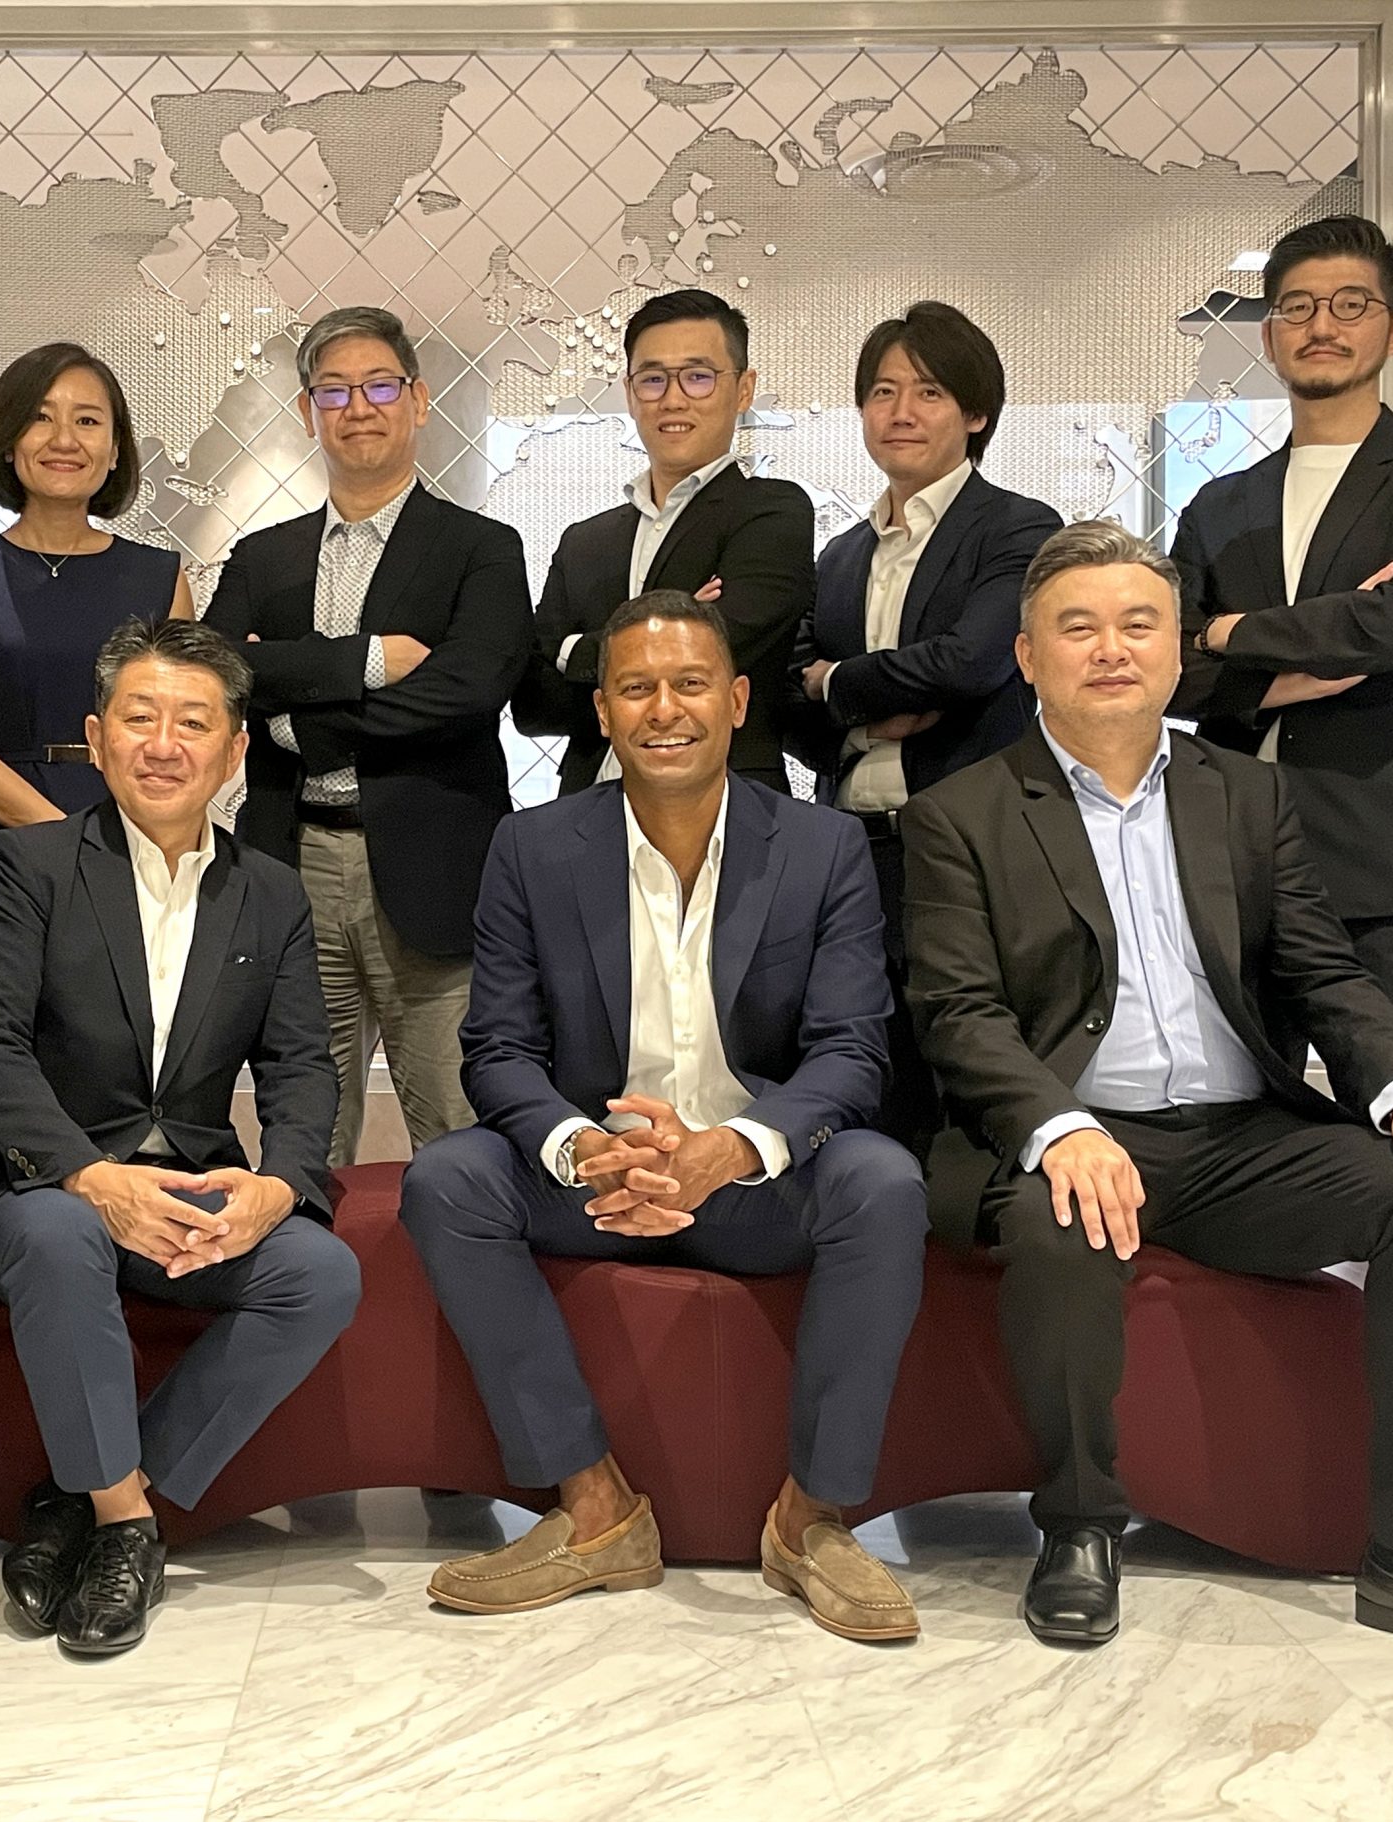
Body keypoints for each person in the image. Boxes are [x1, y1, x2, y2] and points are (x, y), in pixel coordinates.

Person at [901, 522, 1393, 1677]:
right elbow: (959, 1012)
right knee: (1060, 1218)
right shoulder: (959, 813)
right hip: (1080, 1135)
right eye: (1077, 627)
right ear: (1027, 656)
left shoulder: (1243, 795)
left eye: (1138, 624)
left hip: (1241, 1143)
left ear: (1178, 649)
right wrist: (1059, 1127)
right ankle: (1079, 1525)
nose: (1111, 649)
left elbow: (1323, 972)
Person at [402, 590, 929, 1642]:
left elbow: (850, 1051)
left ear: (736, 701)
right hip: (598, 1182)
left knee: (882, 1182)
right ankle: (594, 1508)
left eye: (690, 684)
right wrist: (584, 1147)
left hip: (756, 1181)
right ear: (602, 710)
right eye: (636, 688)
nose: (664, 709)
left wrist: (729, 1149)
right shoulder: (531, 847)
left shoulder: (822, 846)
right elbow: (497, 1049)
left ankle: (814, 1519)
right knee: (447, 1178)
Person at [1167, 214, 1393, 1571]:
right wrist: (1281, 652)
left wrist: (1237, 637)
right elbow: (1174, 672)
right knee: (1245, 1142)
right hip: (1238, 869)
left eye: (1349, 303)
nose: (1321, 325)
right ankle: (1259, 1421)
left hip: (1389, 863)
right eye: (1298, 305)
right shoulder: (1220, 504)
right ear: (1268, 330)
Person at [0, 617, 356, 1657]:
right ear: (97, 738)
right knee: (60, 1239)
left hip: (189, 1187)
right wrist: (89, 1176)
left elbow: (303, 1065)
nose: (164, 745)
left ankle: (82, 1501)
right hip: (43, 1188)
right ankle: (130, 1528)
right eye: (139, 719)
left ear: (234, 751)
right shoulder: (29, 864)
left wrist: (278, 1183)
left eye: (193, 723)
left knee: (319, 1272)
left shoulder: (269, 891)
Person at [205, 304, 531, 1164]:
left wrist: (300, 719)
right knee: (305, 1129)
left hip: (434, 863)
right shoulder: (262, 557)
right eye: (334, 390)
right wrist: (372, 662)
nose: (358, 407)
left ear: (418, 401)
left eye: (380, 386)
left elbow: (469, 692)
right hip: (292, 857)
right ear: (309, 410)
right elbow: (218, 673)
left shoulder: (480, 548)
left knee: (458, 1128)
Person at [787, 301, 1061, 1152]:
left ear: (975, 413)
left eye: (929, 392)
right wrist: (861, 709)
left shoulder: (1018, 527)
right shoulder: (841, 555)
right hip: (855, 852)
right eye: (882, 392)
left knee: (975, 1089)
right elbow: (788, 694)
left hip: (968, 850)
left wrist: (840, 682)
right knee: (873, 1083)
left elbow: (971, 662)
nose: (900, 412)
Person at [0, 341, 193, 910]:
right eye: (40, 418)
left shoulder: (163, 578)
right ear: (8, 441)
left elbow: (180, 733)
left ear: (114, 451)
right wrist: (65, 841)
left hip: (136, 840)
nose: (64, 440)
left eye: (87, 421)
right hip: (2, 848)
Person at [518, 289, 813, 795]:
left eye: (698, 377)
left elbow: (729, 643)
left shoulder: (772, 513)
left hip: (731, 803)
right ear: (630, 394)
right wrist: (683, 621)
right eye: (653, 380)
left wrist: (574, 652)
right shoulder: (585, 542)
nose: (673, 399)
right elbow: (533, 704)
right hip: (589, 809)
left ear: (744, 389)